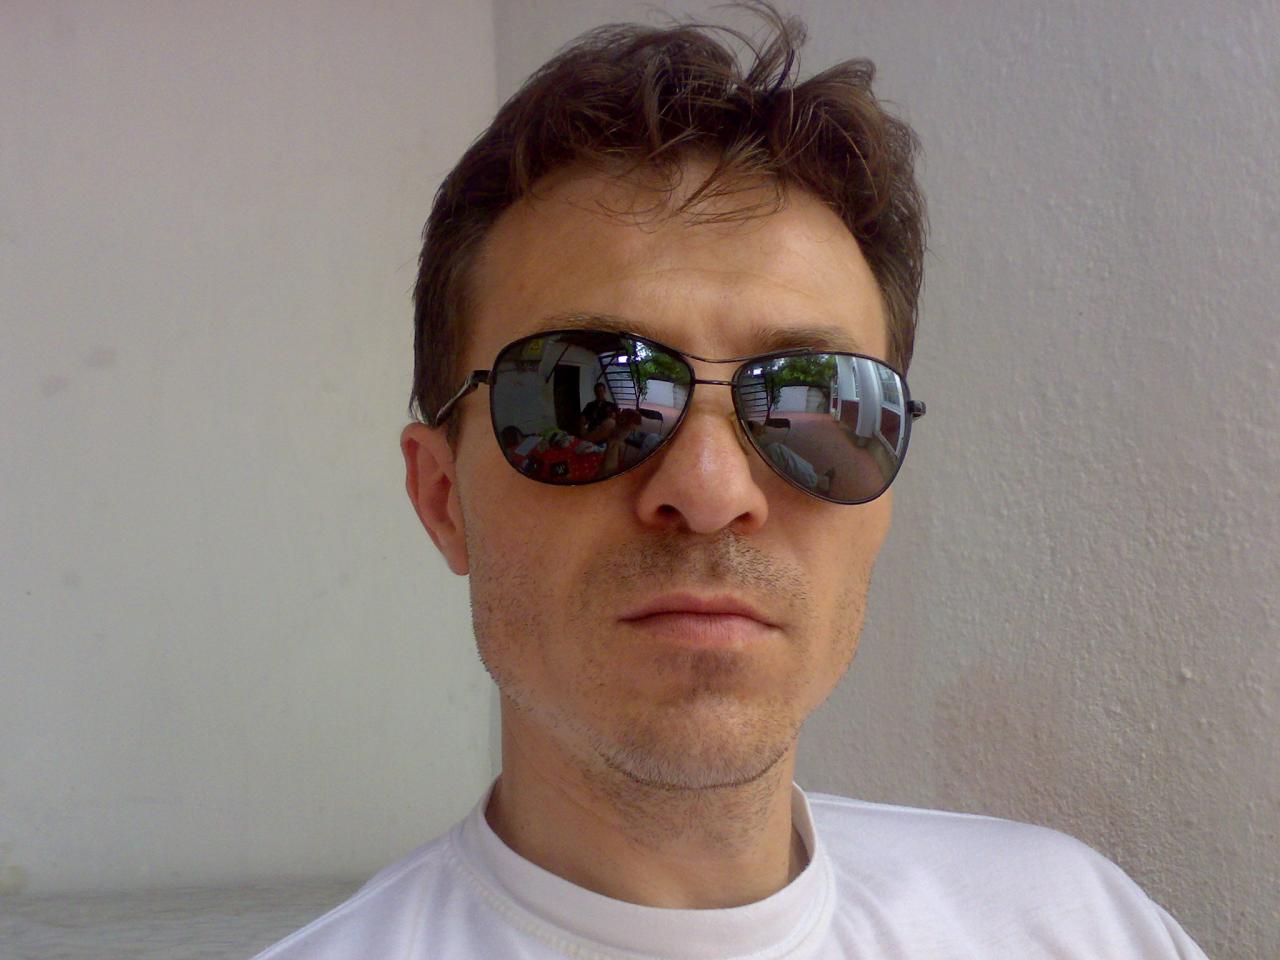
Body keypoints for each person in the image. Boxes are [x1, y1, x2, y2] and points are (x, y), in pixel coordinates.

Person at [254, 6, 1208, 958]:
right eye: (589, 397)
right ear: (442, 498)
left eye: (814, 404)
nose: (712, 491)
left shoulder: (1081, 926)